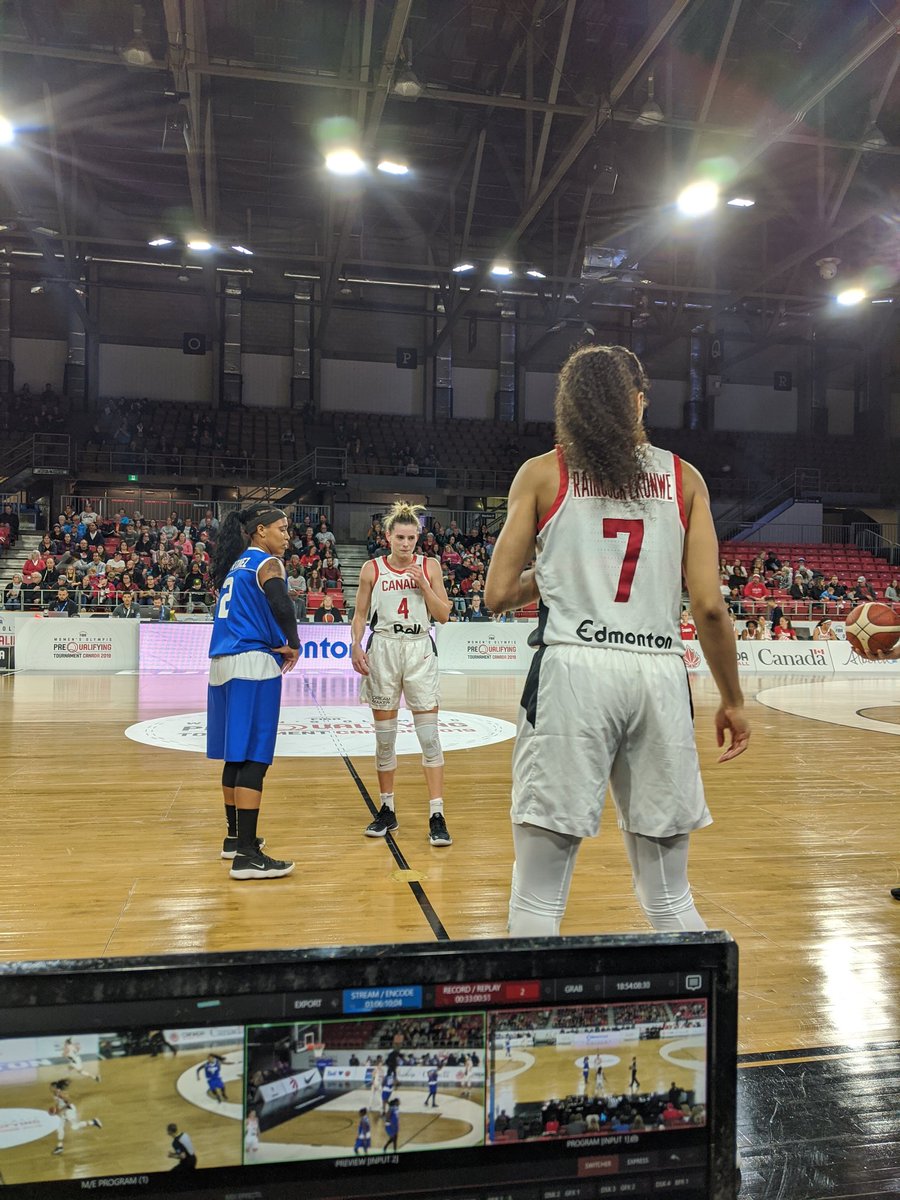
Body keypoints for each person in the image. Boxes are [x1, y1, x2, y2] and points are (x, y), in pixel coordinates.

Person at [484, 344, 749, 938]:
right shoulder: (686, 480)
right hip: (657, 673)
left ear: (569, 407)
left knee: (538, 898)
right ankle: (697, 1022)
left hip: (572, 672)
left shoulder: (542, 473)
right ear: (638, 400)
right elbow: (708, 606)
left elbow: (497, 593)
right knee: (669, 895)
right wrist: (733, 699)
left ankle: (530, 1028)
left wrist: (551, 570)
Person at [351, 501, 453, 847]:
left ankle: (436, 814)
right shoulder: (372, 569)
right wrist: (355, 644)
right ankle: (387, 808)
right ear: (388, 536)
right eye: (400, 537)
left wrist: (424, 585)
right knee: (384, 738)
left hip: (419, 649)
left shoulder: (431, 566)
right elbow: (360, 614)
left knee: (429, 738)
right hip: (384, 648)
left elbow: (443, 615)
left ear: (418, 537)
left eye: (411, 537)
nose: (406, 543)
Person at [208, 504, 300, 880]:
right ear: (260, 531)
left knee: (236, 754)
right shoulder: (267, 564)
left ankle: (235, 838)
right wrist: (294, 642)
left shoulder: (236, 565)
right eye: (282, 528)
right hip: (251, 662)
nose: (287, 535)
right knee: (255, 759)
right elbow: (282, 604)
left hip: (222, 663)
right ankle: (248, 855)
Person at [49, 1079, 102, 1155]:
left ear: (56, 1087)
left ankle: (93, 1121)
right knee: (59, 1128)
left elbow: (69, 1102)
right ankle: (59, 1147)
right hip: (63, 1112)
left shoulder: (60, 1094)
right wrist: (55, 1110)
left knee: (75, 1127)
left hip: (69, 1111)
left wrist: (59, 1110)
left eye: (51, 1087)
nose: (50, 1088)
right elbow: (58, 1104)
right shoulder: (55, 1093)